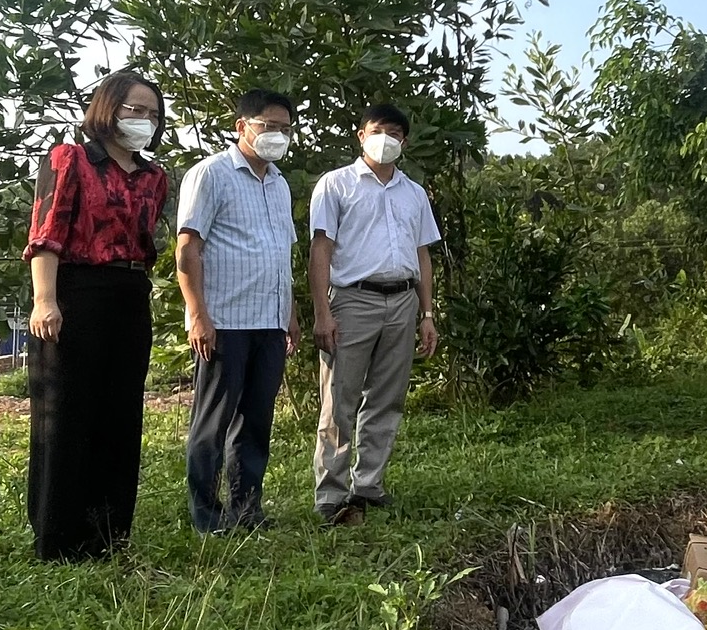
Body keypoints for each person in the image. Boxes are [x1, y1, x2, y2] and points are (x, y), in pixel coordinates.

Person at [23, 70, 169, 560]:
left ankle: (108, 533)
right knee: (66, 413)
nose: (143, 119)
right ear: (107, 108)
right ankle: (58, 536)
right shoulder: (71, 159)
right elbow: (46, 234)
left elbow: (146, 245)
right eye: (133, 109)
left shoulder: (154, 177)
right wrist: (46, 300)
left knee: (121, 413)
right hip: (75, 290)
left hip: (130, 293)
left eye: (152, 113)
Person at [307, 102, 440, 527]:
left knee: (387, 397)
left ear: (405, 141)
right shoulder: (336, 185)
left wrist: (427, 313)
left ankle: (369, 486)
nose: (388, 139)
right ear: (361, 134)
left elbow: (422, 256)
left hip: (402, 301)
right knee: (339, 400)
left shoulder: (414, 193)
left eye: (396, 133)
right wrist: (322, 313)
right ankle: (331, 494)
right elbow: (320, 251)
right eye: (379, 130)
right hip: (352, 300)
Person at [175, 89, 298, 532]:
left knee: (256, 421)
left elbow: (280, 253)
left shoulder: (279, 183)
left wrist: (291, 314)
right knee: (212, 421)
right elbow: (188, 249)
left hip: (269, 320)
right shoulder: (211, 174)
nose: (277, 135)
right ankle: (206, 515)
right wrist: (198, 315)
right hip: (224, 321)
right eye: (268, 125)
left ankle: (247, 509)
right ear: (241, 127)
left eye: (285, 128)